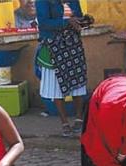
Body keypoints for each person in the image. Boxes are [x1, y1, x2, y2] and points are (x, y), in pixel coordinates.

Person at [35, 0, 93, 137]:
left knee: (78, 81)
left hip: (73, 44)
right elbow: (44, 23)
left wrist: (84, 21)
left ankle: (79, 119)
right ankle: (64, 123)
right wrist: (67, 22)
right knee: (55, 85)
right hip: (53, 45)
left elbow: (76, 17)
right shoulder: (42, 1)